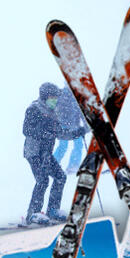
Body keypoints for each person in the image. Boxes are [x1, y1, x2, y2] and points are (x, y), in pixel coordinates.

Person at [22, 83, 67, 224]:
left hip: (46, 153)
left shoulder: (53, 113)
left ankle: (53, 210)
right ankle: (33, 214)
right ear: (45, 96)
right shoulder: (33, 109)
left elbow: (60, 133)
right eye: (53, 97)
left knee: (60, 177)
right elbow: (26, 130)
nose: (55, 100)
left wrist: (78, 133)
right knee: (42, 180)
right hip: (34, 152)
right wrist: (43, 133)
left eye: (56, 97)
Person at [53, 84, 88, 173]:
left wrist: (85, 125)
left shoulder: (75, 95)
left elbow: (82, 111)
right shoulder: (69, 95)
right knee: (69, 145)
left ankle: (58, 164)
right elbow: (81, 111)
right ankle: (70, 165)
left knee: (69, 145)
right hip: (68, 125)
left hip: (71, 125)